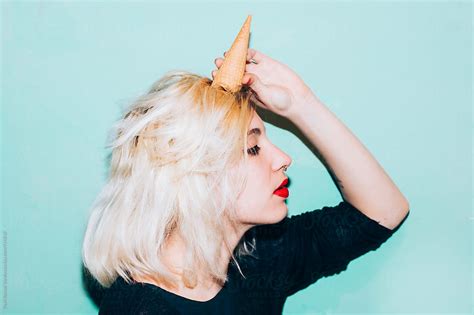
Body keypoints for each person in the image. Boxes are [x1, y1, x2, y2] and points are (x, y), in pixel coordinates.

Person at [82, 48, 410, 314]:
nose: (283, 158)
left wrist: (301, 104)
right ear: (191, 173)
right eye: (252, 147)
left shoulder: (256, 261)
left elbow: (383, 211)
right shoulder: (140, 310)